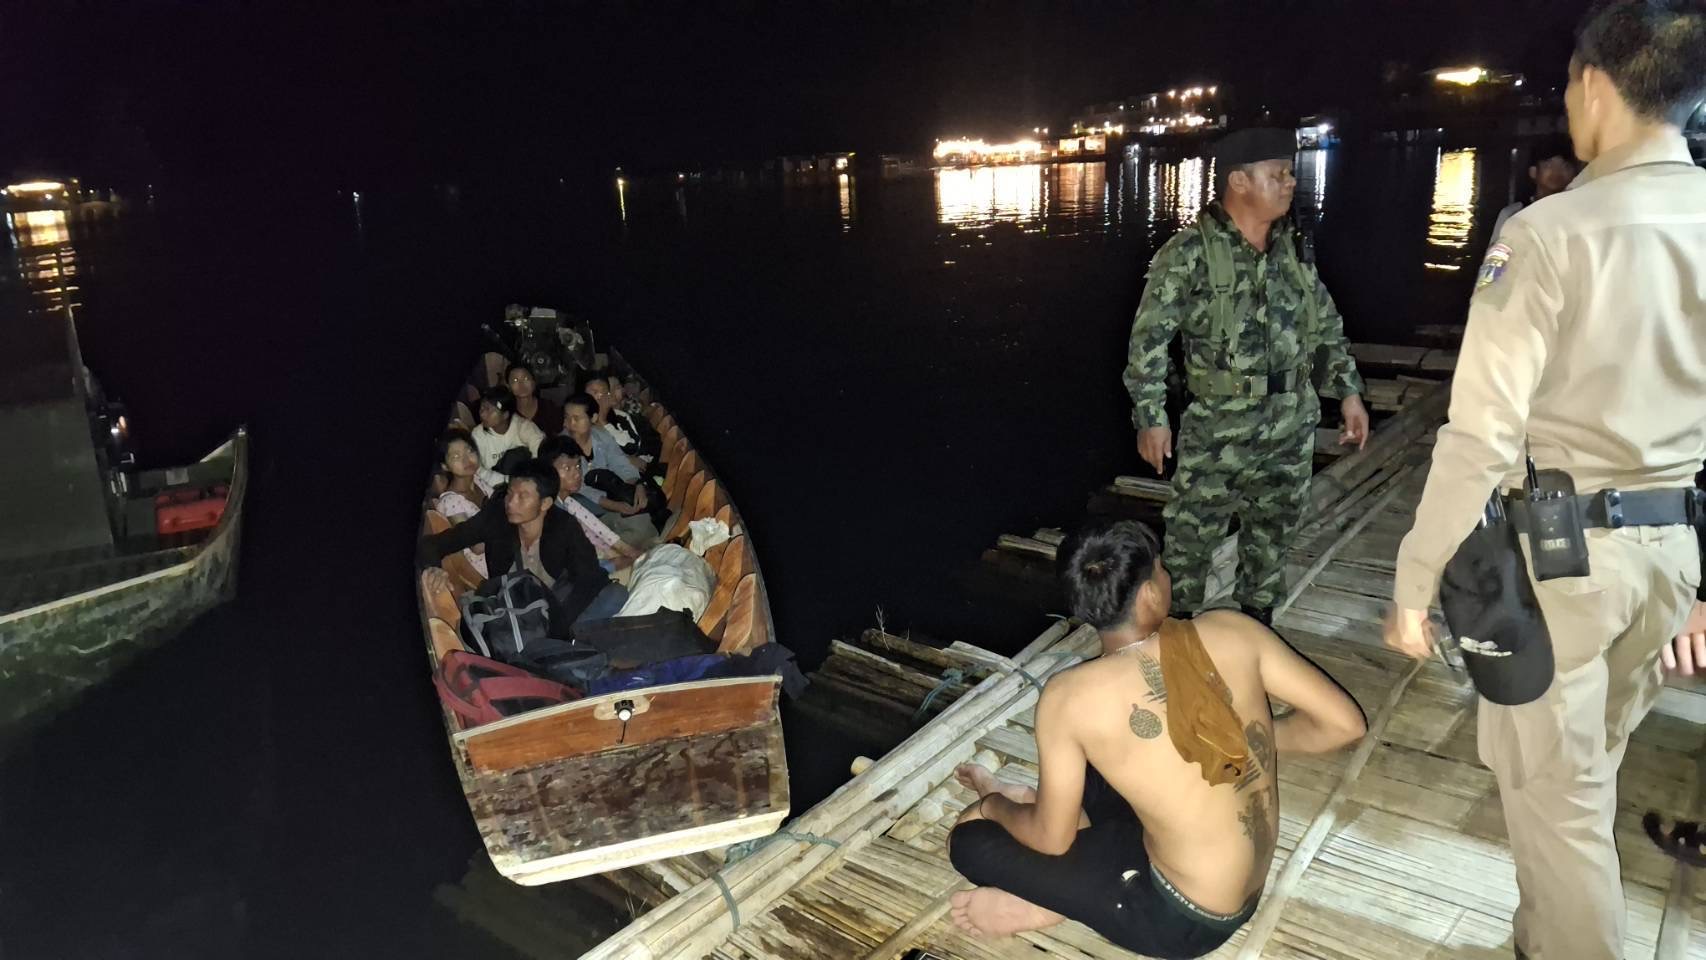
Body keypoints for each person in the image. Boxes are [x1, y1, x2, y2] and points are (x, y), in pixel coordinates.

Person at [1384, 5, 1706, 959]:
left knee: (1561, 810)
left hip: (1567, 571)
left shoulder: (1547, 235)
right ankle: (1538, 939)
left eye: (1568, 84)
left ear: (1594, 85)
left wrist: (1415, 582)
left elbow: (1480, 438)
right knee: (1585, 771)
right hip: (1671, 560)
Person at [947, 519, 1365, 955]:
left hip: (1179, 918)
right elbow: (1344, 725)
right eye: (1162, 568)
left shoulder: (1070, 698)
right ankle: (1047, 819)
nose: (1167, 577)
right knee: (1099, 765)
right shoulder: (1234, 629)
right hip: (1233, 887)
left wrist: (992, 806)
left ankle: (1044, 904)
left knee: (969, 837)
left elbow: (1053, 841)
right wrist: (1245, 741)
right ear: (1149, 593)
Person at [1124, 127, 1370, 626]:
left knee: (1273, 534)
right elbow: (1148, 341)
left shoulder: (1292, 251)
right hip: (1219, 428)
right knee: (1191, 537)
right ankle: (1178, 633)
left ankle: (1258, 623)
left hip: (1290, 422)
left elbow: (1325, 325)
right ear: (1238, 181)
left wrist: (1348, 393)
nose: (1290, 183)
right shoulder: (1188, 253)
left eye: (1289, 173)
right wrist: (1152, 417)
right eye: (1277, 174)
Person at [417, 458, 628, 626]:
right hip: (510, 607)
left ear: (545, 503)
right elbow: (431, 544)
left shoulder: (564, 526)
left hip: (556, 604)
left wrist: (557, 623)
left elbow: (588, 578)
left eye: (523, 496)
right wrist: (435, 569)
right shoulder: (496, 516)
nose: (511, 503)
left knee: (615, 595)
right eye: (510, 494)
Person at [561, 392, 660, 539]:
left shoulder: (601, 436)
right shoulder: (561, 446)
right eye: (567, 417)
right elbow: (580, 489)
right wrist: (613, 505)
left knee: (640, 504)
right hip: (580, 503)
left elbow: (620, 463)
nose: (570, 424)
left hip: (609, 495)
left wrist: (637, 484)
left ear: (593, 418)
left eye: (576, 418)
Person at [537, 435, 643, 571]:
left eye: (578, 465)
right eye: (567, 468)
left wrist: (627, 551)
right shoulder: (551, 511)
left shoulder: (569, 502)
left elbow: (597, 528)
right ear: (548, 471)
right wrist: (619, 560)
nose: (577, 473)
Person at [1488, 134, 1584, 246]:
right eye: (1548, 165)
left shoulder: (1579, 215)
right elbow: (1496, 254)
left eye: (1565, 166)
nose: (1557, 172)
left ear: (1575, 174)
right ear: (1533, 172)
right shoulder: (1512, 214)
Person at [430, 427, 494, 577]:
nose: (466, 460)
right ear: (445, 466)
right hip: (488, 567)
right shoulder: (451, 502)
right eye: (456, 456)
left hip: (503, 547)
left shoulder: (477, 481)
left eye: (469, 451)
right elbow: (476, 546)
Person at [472, 385, 545, 472]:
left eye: (488, 410)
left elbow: (540, 456)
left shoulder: (524, 427)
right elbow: (479, 470)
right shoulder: (478, 435)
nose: (482, 414)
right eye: (482, 408)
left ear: (505, 415)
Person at [505, 361, 562, 438]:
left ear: (534, 382)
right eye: (515, 380)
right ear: (508, 386)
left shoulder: (549, 407)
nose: (521, 384)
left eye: (526, 379)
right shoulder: (507, 413)